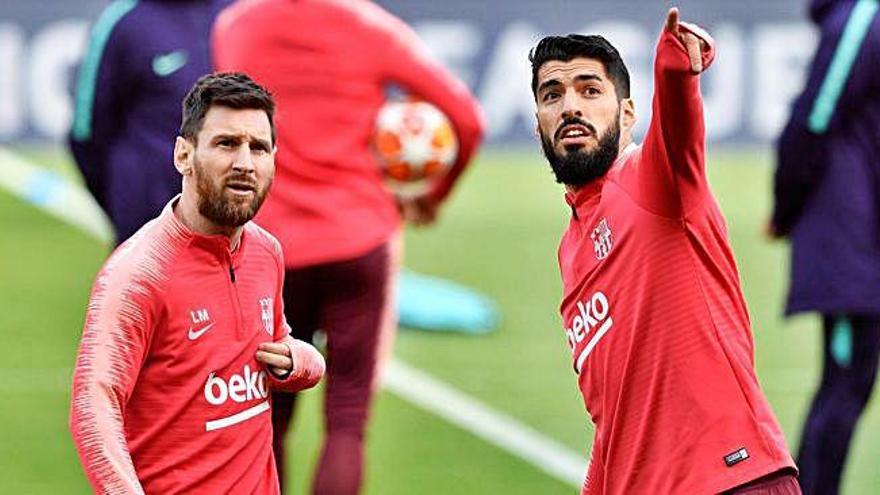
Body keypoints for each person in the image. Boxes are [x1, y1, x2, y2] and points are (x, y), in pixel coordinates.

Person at [212, 1, 485, 493]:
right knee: (346, 418)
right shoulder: (368, 27)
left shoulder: (237, 27)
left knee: (265, 419)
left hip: (268, 249)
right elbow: (466, 118)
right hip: (357, 241)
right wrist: (431, 196)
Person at [530, 8, 798, 494]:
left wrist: (677, 67)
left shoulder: (653, 180)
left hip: (733, 479)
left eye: (590, 90)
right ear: (538, 128)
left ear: (628, 114)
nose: (570, 106)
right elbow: (613, 418)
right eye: (553, 96)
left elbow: (679, 125)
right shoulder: (570, 250)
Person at [69, 73, 325, 494]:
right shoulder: (138, 273)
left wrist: (304, 362)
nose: (245, 162)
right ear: (183, 156)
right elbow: (93, 405)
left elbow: (277, 347)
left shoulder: (267, 253)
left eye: (258, 147)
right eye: (226, 143)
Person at [769, 0, 880, 493]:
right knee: (846, 383)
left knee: (850, 382)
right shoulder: (861, 18)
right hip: (850, 239)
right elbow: (813, 117)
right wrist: (785, 204)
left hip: (862, 235)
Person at [69, 0, 232, 244]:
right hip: (147, 227)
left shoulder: (244, 10)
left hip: (235, 225)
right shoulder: (123, 22)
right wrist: (128, 200)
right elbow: (86, 134)